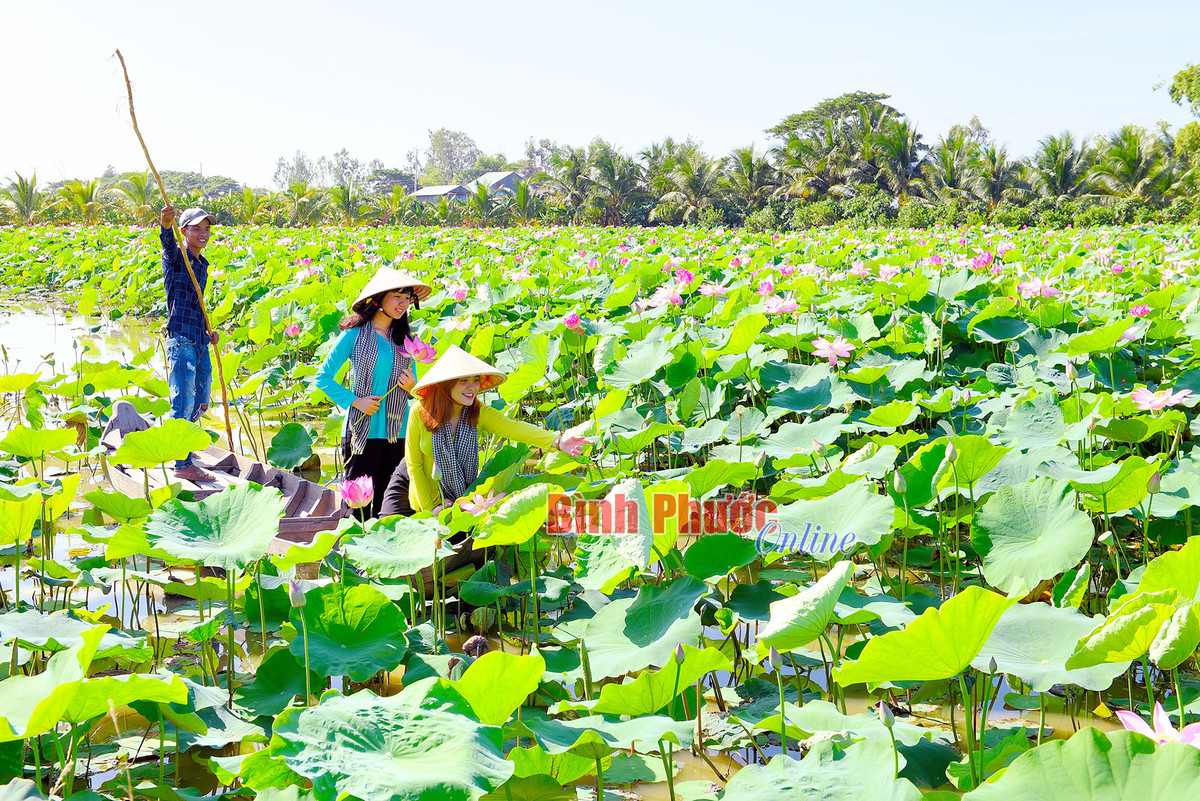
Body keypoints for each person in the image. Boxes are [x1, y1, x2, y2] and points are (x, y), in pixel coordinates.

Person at [379, 345, 590, 517]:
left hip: (455, 492)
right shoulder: (420, 411)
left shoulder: (478, 413)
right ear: (446, 384)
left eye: (476, 380)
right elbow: (414, 464)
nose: (473, 387)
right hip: (414, 482)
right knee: (390, 532)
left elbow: (514, 428)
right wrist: (430, 509)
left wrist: (558, 441)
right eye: (464, 380)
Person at [315, 266, 431, 518]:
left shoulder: (407, 342)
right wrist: (356, 401)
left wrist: (412, 389)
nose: (404, 304)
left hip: (397, 433)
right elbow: (322, 378)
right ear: (379, 299)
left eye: (408, 297)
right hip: (361, 431)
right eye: (397, 297)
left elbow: (416, 393)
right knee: (359, 506)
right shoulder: (353, 336)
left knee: (390, 504)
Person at [159, 205, 219, 482]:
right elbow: (168, 246)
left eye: (206, 228)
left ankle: (182, 447)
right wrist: (165, 225)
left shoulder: (202, 264)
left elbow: (195, 305)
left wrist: (209, 332)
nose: (203, 233)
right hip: (180, 338)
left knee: (202, 400)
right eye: (196, 228)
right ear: (184, 231)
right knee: (183, 402)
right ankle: (182, 464)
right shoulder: (177, 257)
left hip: (198, 337)